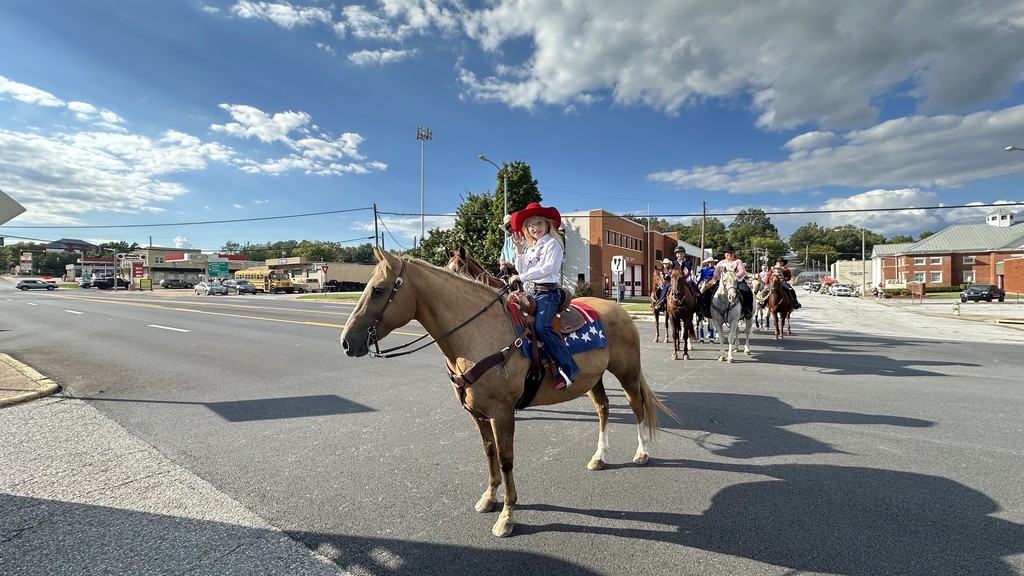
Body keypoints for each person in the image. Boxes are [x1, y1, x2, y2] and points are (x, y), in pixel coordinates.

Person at [509, 202, 579, 391]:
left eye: (539, 223)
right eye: (531, 225)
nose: (535, 228)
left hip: (548, 293)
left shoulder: (553, 244)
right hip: (531, 292)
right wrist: (519, 250)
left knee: (542, 326)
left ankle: (570, 368)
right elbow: (522, 269)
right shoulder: (532, 247)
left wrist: (521, 276)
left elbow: (548, 269)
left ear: (547, 224)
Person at [713, 244, 754, 319]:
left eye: (731, 253)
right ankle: (707, 309)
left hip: (737, 281)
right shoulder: (721, 263)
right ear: (725, 254)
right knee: (709, 291)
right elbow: (716, 272)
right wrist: (718, 277)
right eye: (728, 253)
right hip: (723, 282)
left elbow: (742, 271)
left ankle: (747, 310)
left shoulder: (738, 261)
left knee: (747, 292)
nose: (730, 255)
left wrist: (736, 276)